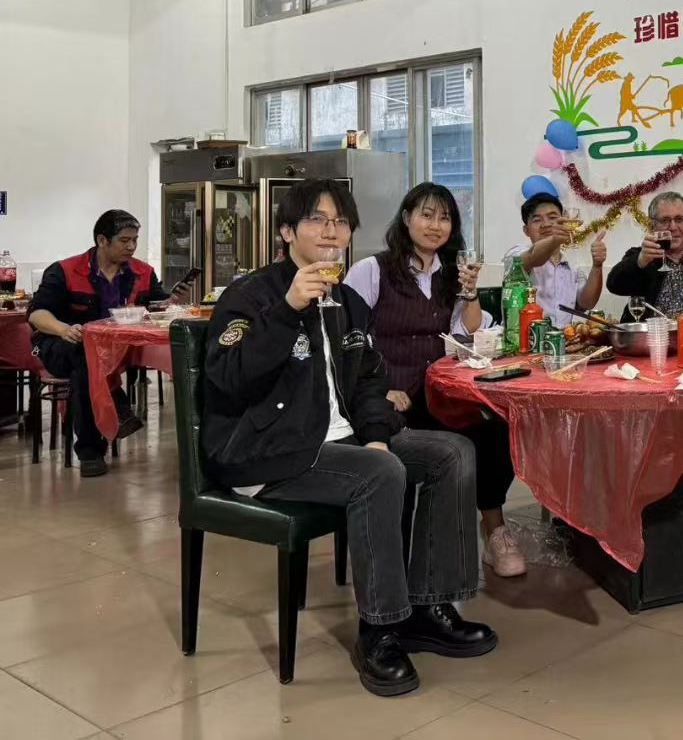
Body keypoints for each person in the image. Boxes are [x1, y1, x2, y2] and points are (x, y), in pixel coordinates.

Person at [204, 179, 495, 697]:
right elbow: (226, 380)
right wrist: (288, 309)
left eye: (340, 222)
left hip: (343, 442)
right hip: (271, 450)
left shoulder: (347, 301)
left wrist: (377, 434)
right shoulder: (250, 294)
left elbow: (369, 382)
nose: (331, 231)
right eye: (317, 220)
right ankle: (380, 630)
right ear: (286, 231)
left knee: (452, 452)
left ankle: (428, 607)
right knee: (379, 473)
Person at [345, 183, 526, 579]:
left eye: (445, 218)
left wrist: (470, 293)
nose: (435, 225)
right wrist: (378, 389)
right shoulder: (371, 271)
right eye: (426, 215)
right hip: (390, 397)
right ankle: (421, 556)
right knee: (456, 445)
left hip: (437, 393)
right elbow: (347, 339)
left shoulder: (450, 275)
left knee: (497, 425)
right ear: (406, 218)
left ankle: (494, 532)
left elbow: (468, 331)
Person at [28, 209, 194, 477]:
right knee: (84, 358)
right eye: (124, 240)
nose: (131, 247)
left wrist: (171, 301)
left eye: (135, 240)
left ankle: (112, 418)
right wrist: (64, 329)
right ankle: (93, 447)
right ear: (102, 240)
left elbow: (155, 308)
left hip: (114, 348)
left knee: (93, 358)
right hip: (59, 343)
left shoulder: (142, 272)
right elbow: (37, 314)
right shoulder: (65, 271)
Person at [605, 192, 683, 316]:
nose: (673, 227)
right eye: (665, 220)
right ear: (653, 225)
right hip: (649, 329)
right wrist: (640, 262)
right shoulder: (641, 256)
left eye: (679, 219)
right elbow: (614, 286)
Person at [503, 192, 607, 325]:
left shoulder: (572, 265)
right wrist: (554, 239)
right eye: (537, 220)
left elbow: (586, 303)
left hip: (562, 336)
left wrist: (597, 266)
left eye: (552, 218)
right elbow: (533, 256)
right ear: (526, 230)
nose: (546, 224)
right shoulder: (516, 254)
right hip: (523, 336)